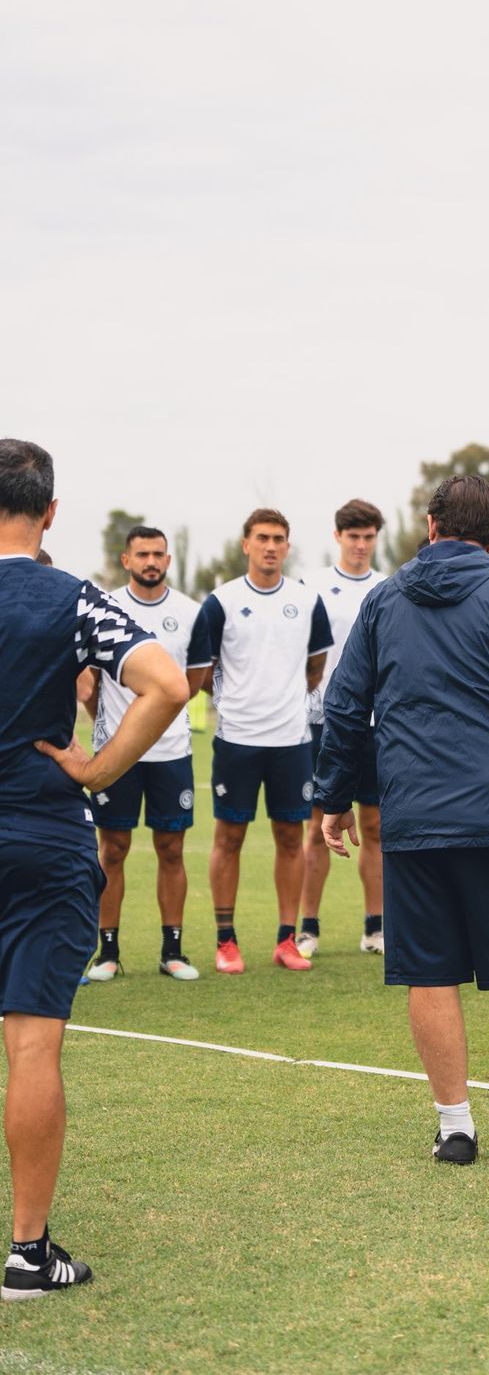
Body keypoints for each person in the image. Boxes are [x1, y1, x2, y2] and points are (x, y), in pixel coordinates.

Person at [316, 474, 489, 1167]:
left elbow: (345, 707)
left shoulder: (383, 600)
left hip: (414, 820)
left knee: (431, 971)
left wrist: (332, 795)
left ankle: (455, 1129)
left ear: (431, 526)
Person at [0, 439, 188, 1301]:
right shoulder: (73, 597)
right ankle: (28, 1254)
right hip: (44, 833)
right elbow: (167, 685)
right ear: (52, 510)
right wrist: (101, 768)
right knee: (33, 1043)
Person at [196, 508, 333, 974]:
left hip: (292, 740)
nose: (270, 546)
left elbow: (317, 667)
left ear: (287, 547)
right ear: (245, 544)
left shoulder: (306, 601)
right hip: (236, 738)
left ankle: (286, 939)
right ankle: (226, 940)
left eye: (278, 538)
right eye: (262, 538)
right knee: (228, 836)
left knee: (290, 837)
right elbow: (202, 671)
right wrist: (234, 701)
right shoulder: (222, 601)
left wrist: (288, 700)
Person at [84, 527, 212, 981]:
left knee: (171, 849)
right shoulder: (104, 607)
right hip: (116, 752)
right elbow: (90, 681)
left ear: (168, 560)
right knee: (112, 849)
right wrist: (104, 719)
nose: (151, 561)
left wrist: (164, 716)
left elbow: (194, 679)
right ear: (126, 559)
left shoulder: (190, 612)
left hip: (172, 752)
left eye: (158, 553)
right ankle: (108, 954)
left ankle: (172, 951)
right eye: (142, 554)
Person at [297, 499, 386, 958]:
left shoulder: (389, 589)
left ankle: (375, 926)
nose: (360, 545)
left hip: (375, 724)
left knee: (374, 826)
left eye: (368, 536)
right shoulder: (310, 586)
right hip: (323, 721)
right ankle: (308, 926)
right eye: (353, 536)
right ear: (338, 537)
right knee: (318, 826)